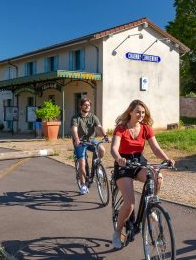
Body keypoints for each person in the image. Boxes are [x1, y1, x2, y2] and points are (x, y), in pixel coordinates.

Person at [110, 99, 175, 249]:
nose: (140, 114)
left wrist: (166, 159)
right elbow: (114, 148)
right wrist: (119, 158)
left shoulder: (146, 128)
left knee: (157, 176)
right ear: (131, 112)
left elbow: (156, 149)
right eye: (138, 112)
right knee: (130, 203)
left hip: (139, 162)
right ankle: (117, 232)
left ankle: (150, 207)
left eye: (143, 112)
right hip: (124, 165)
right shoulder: (121, 128)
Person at [71, 97, 108, 195]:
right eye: (85, 105)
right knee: (82, 163)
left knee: (101, 149)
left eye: (89, 105)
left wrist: (105, 136)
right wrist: (77, 139)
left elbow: (99, 127)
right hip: (80, 142)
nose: (87, 106)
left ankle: (96, 166)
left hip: (91, 141)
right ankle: (83, 185)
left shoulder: (93, 117)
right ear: (80, 106)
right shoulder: (76, 118)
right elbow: (74, 130)